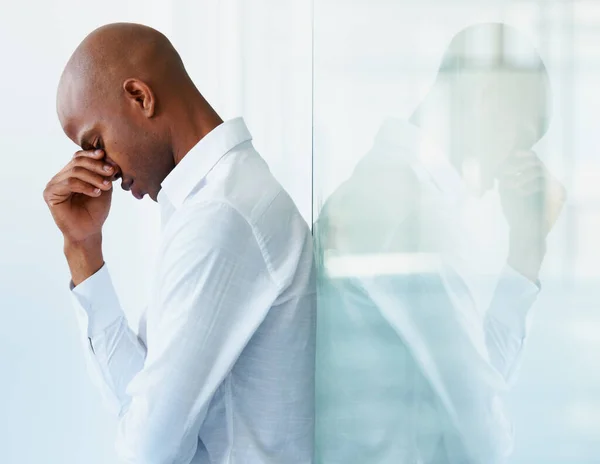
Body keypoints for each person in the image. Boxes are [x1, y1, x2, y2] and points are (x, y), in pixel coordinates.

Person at [43, 23, 316, 464]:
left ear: (140, 97)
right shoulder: (210, 208)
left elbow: (149, 450)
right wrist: (82, 248)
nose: (101, 169)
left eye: (95, 143)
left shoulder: (222, 215)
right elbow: (139, 404)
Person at [315, 23, 566, 463]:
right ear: (486, 100)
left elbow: (476, 376)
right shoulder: (413, 214)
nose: (519, 160)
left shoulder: (391, 187)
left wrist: (528, 247)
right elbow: (485, 438)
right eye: (521, 137)